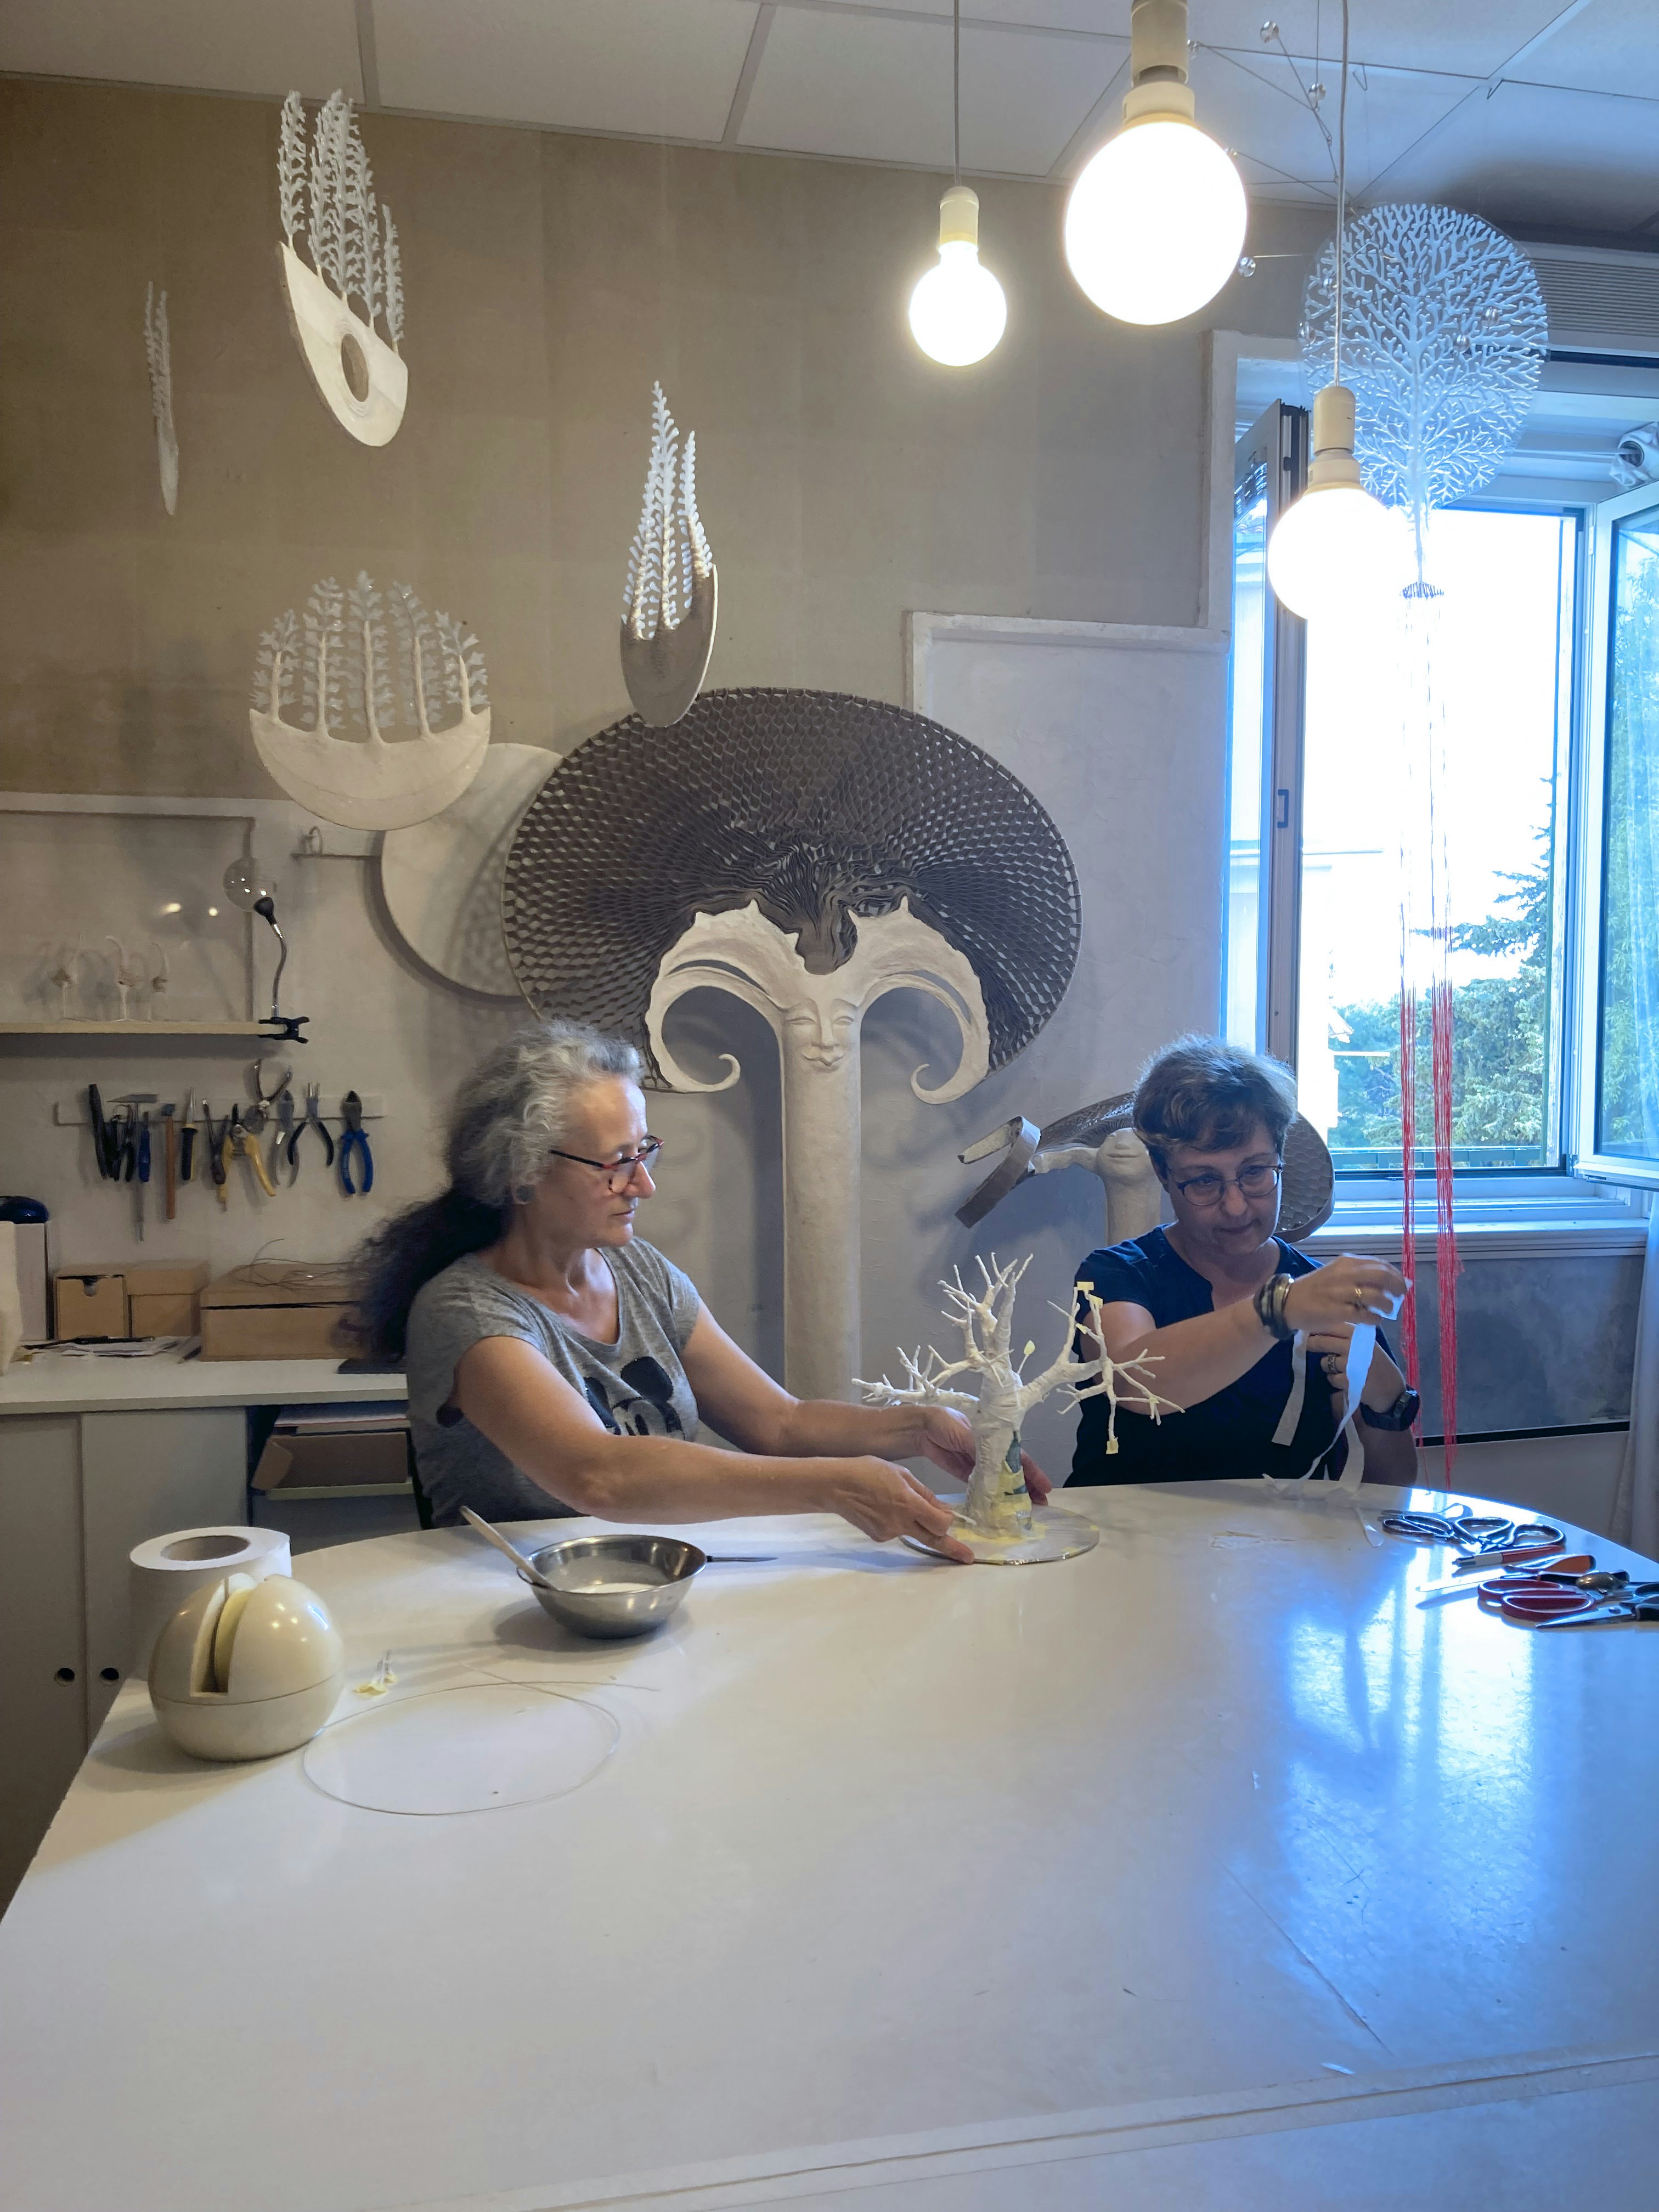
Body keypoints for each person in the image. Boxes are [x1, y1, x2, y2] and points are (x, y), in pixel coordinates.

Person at [352, 1022, 1046, 1559]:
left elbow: (779, 1423)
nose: (644, 1185)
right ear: (522, 1171)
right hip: (504, 1616)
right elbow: (599, 1476)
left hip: (645, 1591)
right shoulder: (466, 1313)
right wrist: (834, 1485)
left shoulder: (640, 1273)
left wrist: (918, 1427)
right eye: (616, 1163)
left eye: (644, 1152)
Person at [1068, 1036, 1417, 1486]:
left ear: (1280, 1158)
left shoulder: (1322, 1296)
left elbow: (1389, 1491)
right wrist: (1277, 1310)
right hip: (1121, 1531)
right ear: (1162, 1173)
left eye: (1255, 1172)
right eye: (1203, 1180)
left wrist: (1388, 1401)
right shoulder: (1117, 1273)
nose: (1235, 1207)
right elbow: (1134, 1382)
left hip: (1282, 1532)